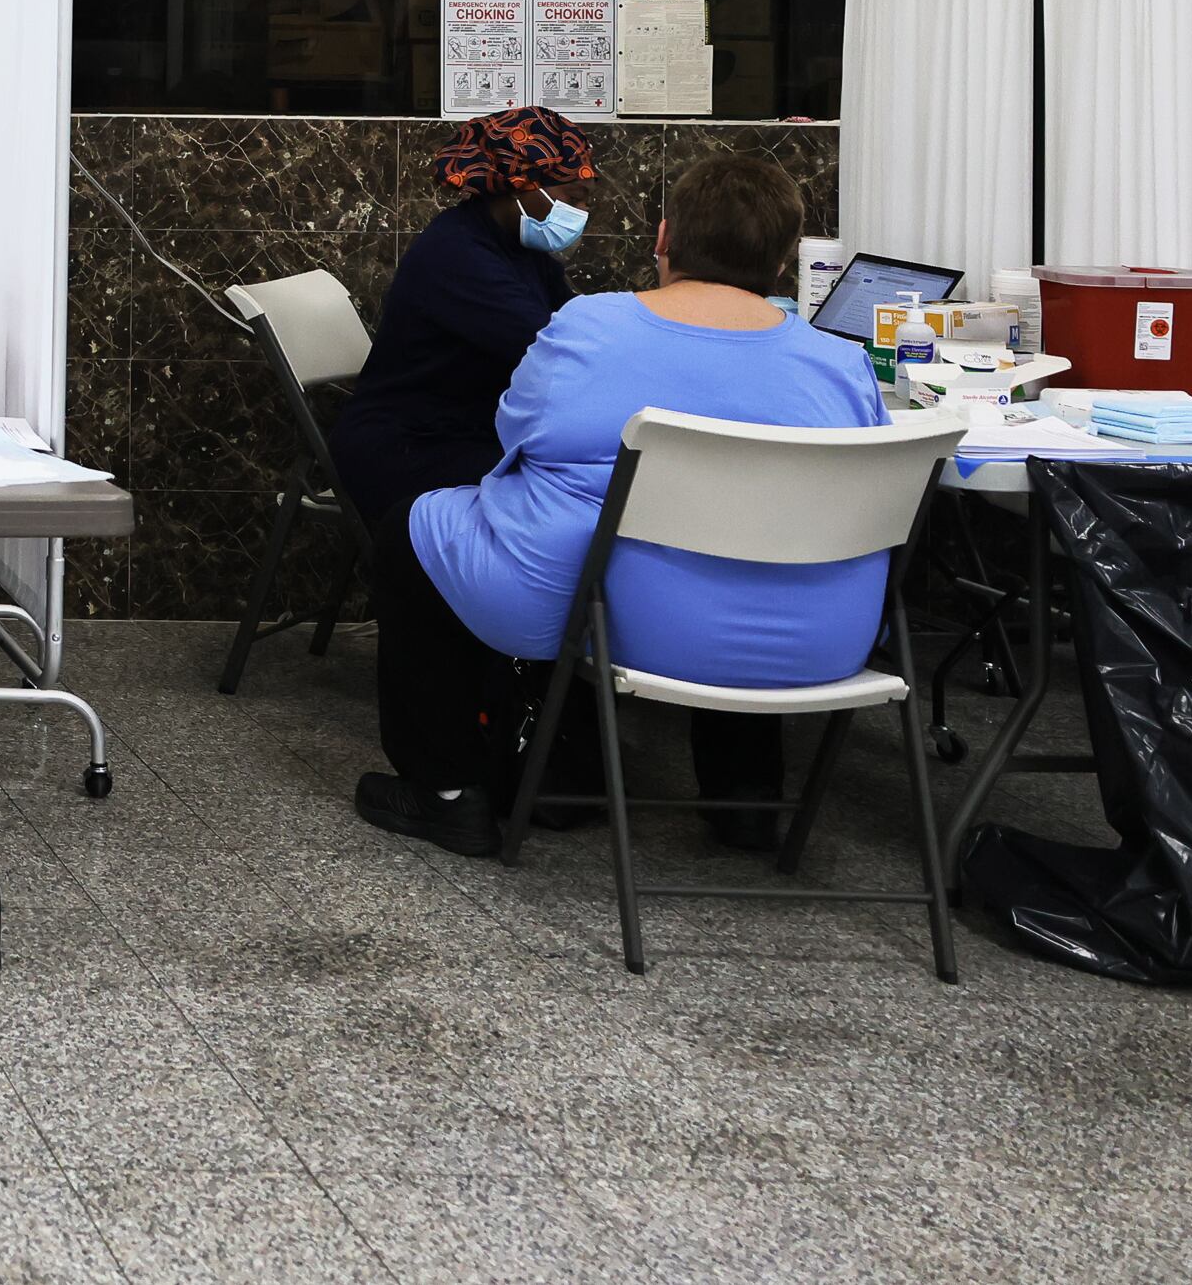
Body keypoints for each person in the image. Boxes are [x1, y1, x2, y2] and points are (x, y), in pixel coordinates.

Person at [388, 151, 884, 856]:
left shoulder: (589, 329)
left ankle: (447, 794)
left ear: (662, 239)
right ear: (784, 263)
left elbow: (514, 434)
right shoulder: (841, 367)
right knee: (750, 540)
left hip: (629, 624)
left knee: (414, 529)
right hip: (823, 643)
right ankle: (746, 804)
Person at [328, 106, 597, 849]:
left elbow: (576, 338)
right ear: (513, 190)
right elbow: (556, 353)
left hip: (475, 437)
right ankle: (464, 766)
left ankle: (542, 751)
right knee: (518, 529)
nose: (578, 206)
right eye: (563, 189)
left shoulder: (524, 249)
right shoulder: (460, 257)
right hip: (409, 446)